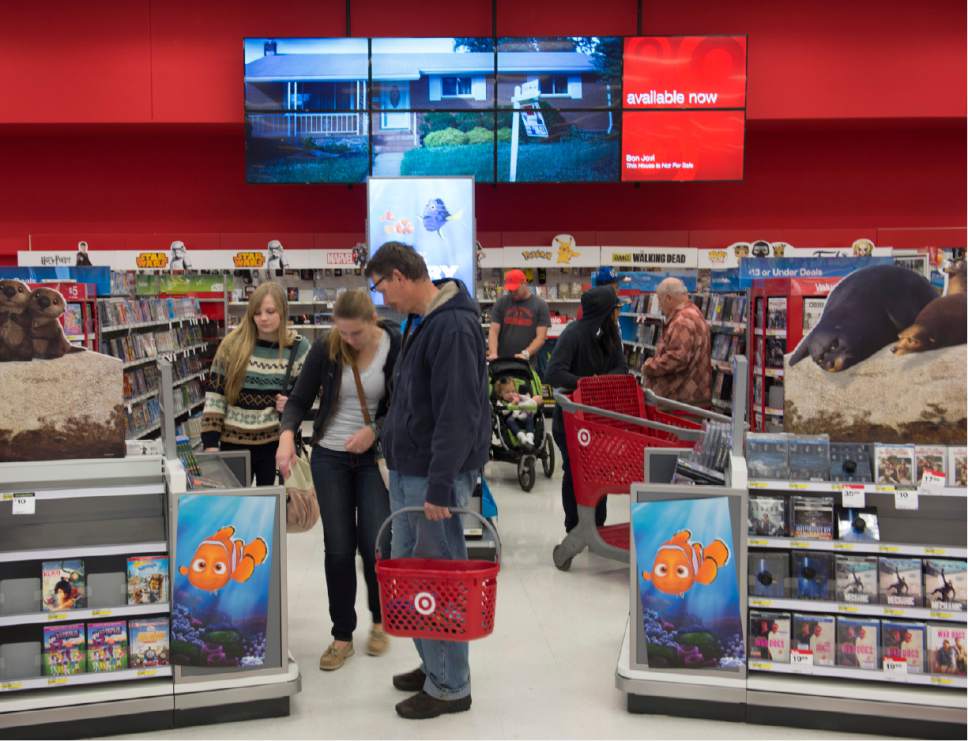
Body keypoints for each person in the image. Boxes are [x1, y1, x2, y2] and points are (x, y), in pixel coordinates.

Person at [364, 241, 489, 720]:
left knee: (436, 576)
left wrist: (440, 484)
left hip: (431, 478)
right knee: (411, 573)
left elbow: (458, 412)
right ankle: (433, 661)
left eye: (380, 288)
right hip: (409, 468)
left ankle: (451, 685)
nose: (381, 299)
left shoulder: (452, 326)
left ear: (399, 275)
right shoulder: (423, 320)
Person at [276, 289, 400, 671]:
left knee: (376, 542)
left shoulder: (394, 345)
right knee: (339, 548)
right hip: (330, 456)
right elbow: (298, 399)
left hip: (371, 459)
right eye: (342, 333)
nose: (348, 341)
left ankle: (381, 621)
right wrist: (286, 435)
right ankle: (342, 634)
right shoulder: (327, 348)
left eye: (356, 334)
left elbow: (404, 404)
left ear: (372, 323)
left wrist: (374, 431)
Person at [201, 282, 310, 485]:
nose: (263, 318)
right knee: (234, 510)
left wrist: (291, 403)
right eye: (257, 312)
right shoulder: (231, 345)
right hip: (233, 444)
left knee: (268, 509)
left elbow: (308, 395)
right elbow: (215, 396)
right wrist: (210, 443)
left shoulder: (298, 348)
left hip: (274, 446)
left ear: (283, 311)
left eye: (270, 311)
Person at [546, 286, 628, 533]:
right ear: (605, 311)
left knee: (599, 471)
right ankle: (574, 527)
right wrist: (586, 383)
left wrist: (600, 382)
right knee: (573, 470)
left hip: (598, 419)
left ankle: (596, 525)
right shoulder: (573, 334)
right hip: (571, 419)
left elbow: (621, 368)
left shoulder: (611, 335)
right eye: (616, 309)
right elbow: (553, 373)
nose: (618, 314)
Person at [641, 277, 712, 405]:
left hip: (681, 400)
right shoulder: (694, 312)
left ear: (668, 298)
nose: (660, 306)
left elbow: (677, 358)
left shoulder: (682, 321)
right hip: (690, 398)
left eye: (660, 300)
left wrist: (649, 366)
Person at [487, 269, 550, 362]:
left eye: (515, 290)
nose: (512, 293)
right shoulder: (501, 303)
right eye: (510, 290)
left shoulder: (541, 305)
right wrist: (493, 353)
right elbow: (493, 331)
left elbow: (541, 337)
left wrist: (526, 353)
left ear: (524, 283)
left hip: (527, 364)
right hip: (501, 362)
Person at [494, 376, 539, 448]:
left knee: (529, 417)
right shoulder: (500, 402)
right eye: (507, 392)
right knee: (510, 420)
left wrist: (529, 399)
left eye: (513, 391)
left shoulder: (519, 398)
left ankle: (530, 437)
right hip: (511, 422)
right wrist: (513, 404)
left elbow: (529, 401)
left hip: (523, 419)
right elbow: (503, 412)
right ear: (500, 394)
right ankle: (522, 437)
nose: (511, 394)